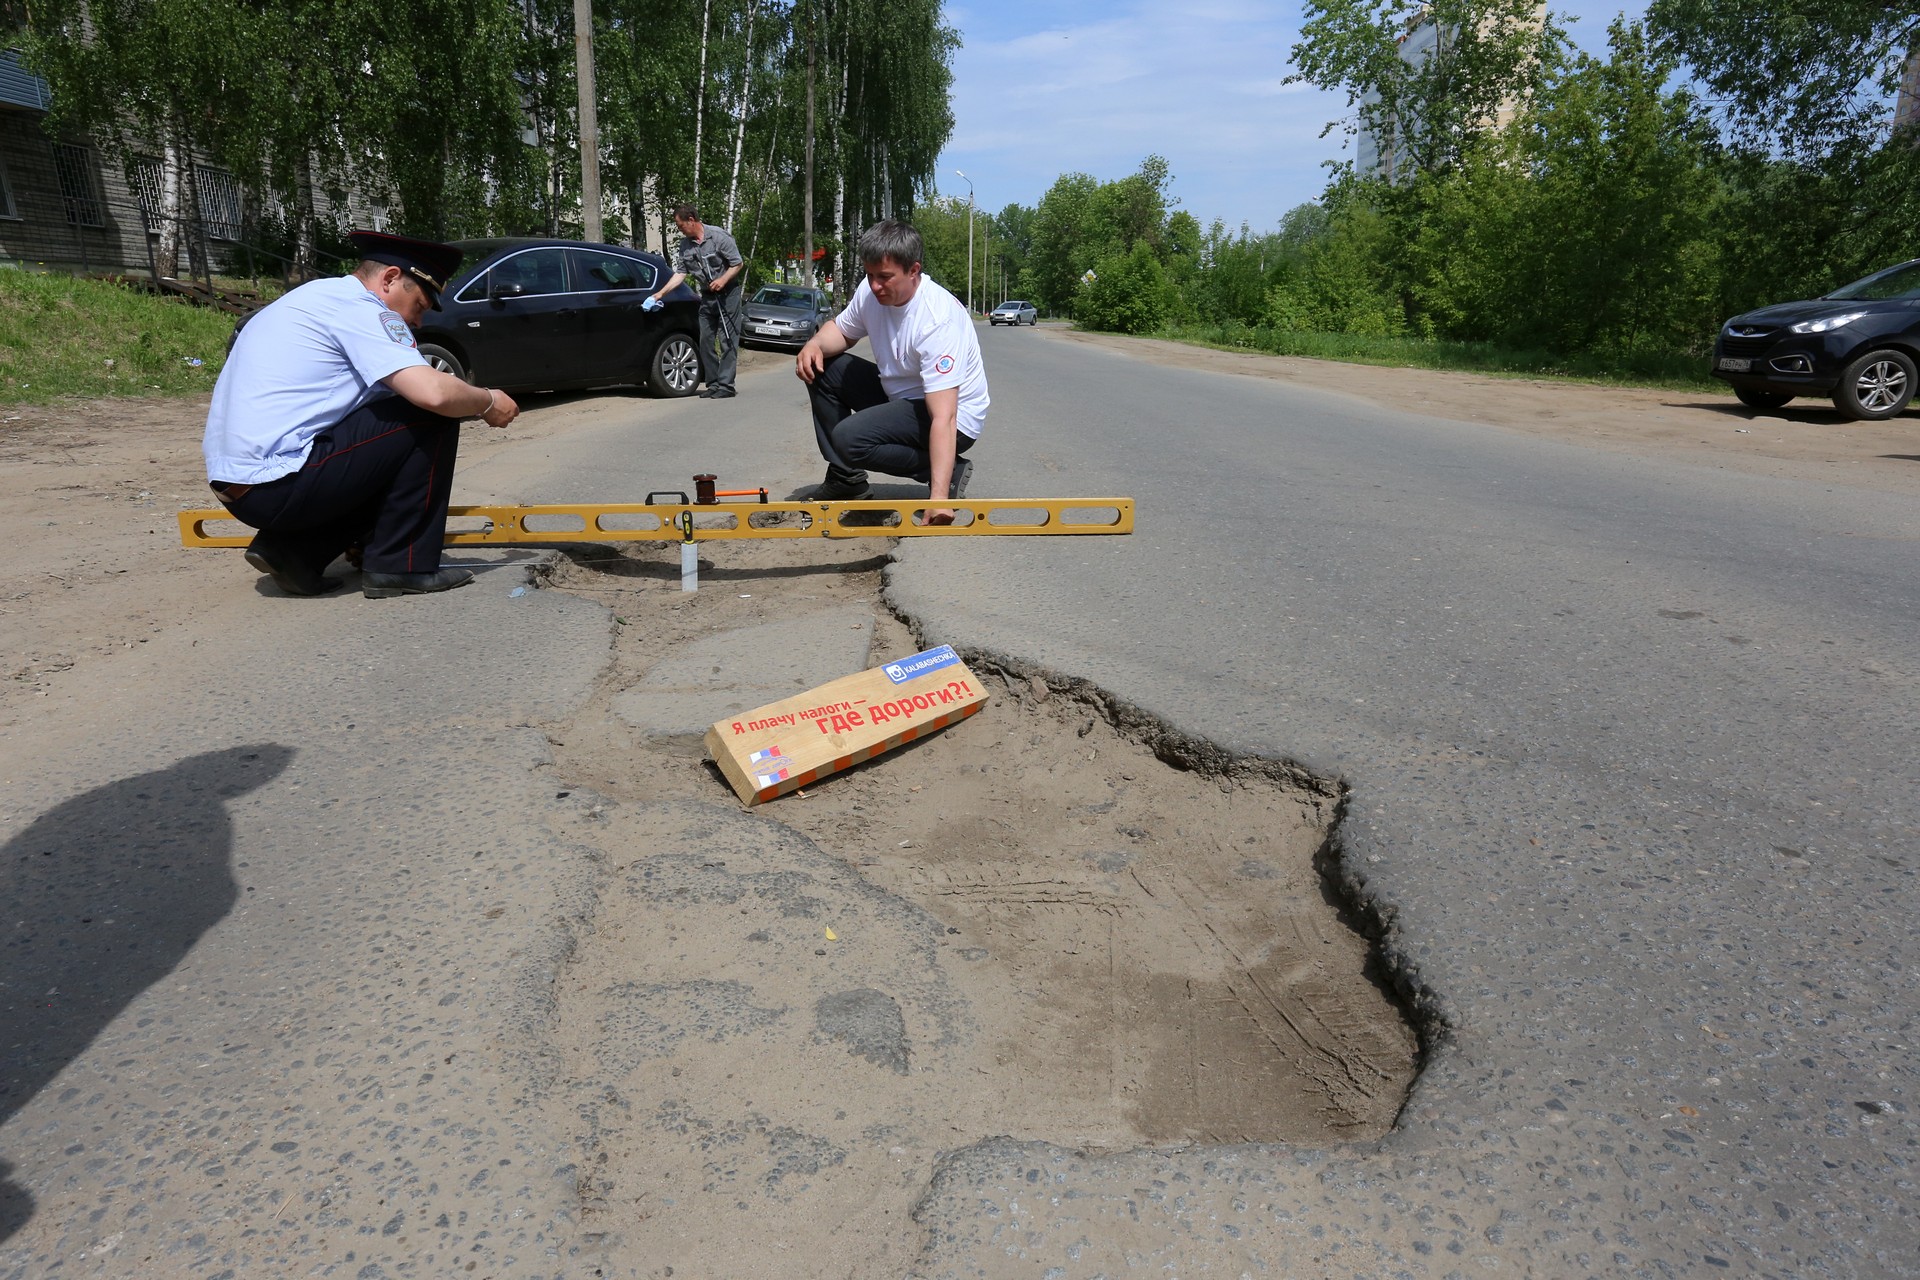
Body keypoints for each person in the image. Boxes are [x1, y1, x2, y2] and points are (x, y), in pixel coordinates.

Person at [203, 230, 521, 599]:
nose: (417, 321)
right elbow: (433, 393)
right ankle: (401, 565)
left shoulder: (312, 297)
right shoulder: (362, 310)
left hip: (240, 486)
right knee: (430, 416)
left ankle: (294, 552)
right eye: (418, 304)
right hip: (277, 483)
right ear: (389, 279)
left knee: (385, 435)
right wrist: (486, 401)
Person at [794, 218, 988, 524]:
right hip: (899, 397)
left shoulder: (937, 320)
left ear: (914, 270)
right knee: (822, 366)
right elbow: (843, 331)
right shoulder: (871, 292)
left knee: (849, 438)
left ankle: (946, 471)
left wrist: (938, 498)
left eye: (885, 277)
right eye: (869, 275)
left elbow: (945, 416)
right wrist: (814, 344)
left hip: (954, 417)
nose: (875, 286)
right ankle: (847, 480)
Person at [647, 203, 744, 398]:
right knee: (705, 340)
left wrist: (723, 279)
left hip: (728, 295)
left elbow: (737, 263)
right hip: (707, 297)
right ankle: (714, 383)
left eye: (680, 225)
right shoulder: (685, 246)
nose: (679, 229)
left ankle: (726, 386)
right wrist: (660, 294)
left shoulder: (718, 237)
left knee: (727, 339)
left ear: (691, 220)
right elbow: (681, 273)